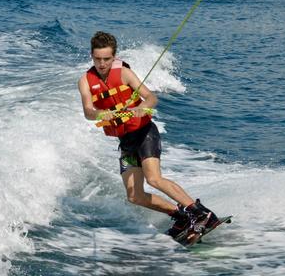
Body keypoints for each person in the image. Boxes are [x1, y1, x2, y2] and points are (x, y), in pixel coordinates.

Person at [78, 31, 220, 239]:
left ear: (114, 57)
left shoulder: (124, 74)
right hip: (126, 141)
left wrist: (142, 108)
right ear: (92, 56)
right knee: (135, 196)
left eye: (107, 59)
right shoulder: (85, 81)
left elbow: (151, 97)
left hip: (144, 133)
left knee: (154, 179)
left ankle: (201, 214)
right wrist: (102, 113)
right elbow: (88, 112)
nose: (102, 64)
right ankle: (180, 217)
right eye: (98, 59)